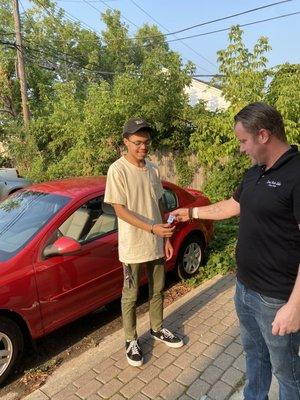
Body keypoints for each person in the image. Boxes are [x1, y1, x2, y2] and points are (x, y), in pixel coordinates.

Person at [172, 102, 300, 400]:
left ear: (264, 135)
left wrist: (295, 306)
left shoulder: (297, 174)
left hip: (277, 298)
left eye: (244, 141)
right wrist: (190, 214)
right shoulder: (255, 172)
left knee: (288, 373)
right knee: (254, 357)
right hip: (244, 289)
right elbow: (232, 206)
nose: (241, 148)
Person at [104, 117, 183, 367]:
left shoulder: (152, 169)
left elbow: (158, 202)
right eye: (138, 142)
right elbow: (120, 210)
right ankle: (131, 340)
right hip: (132, 248)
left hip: (157, 241)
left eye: (147, 142)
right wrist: (151, 228)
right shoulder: (117, 170)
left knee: (158, 289)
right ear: (125, 142)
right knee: (130, 295)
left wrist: (166, 237)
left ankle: (157, 328)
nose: (143, 147)